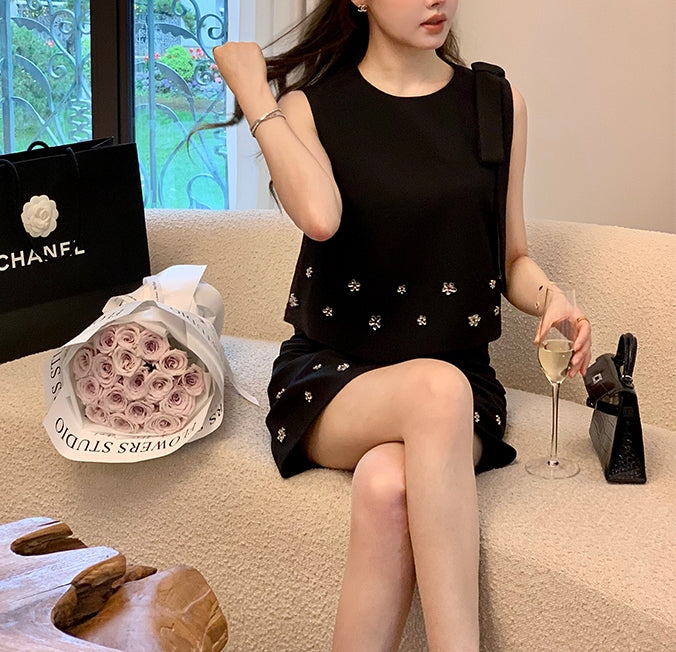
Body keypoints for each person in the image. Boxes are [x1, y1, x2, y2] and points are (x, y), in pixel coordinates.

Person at [213, 1, 592, 650]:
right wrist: (255, 95)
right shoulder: (310, 108)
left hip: (459, 381)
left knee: (388, 484)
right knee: (437, 390)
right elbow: (321, 217)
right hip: (336, 378)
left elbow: (513, 258)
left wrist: (552, 296)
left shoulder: (497, 104)